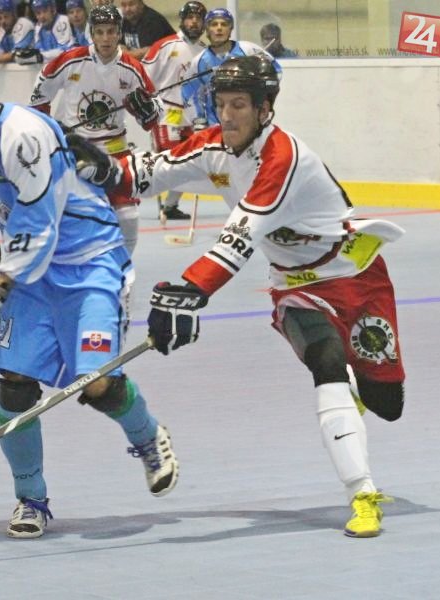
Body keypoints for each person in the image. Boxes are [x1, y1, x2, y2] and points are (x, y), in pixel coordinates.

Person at [68, 54, 404, 538]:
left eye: (239, 105)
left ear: (265, 108)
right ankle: (362, 492)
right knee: (325, 361)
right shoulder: (214, 145)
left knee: (387, 402)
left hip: (356, 275)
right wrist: (103, 167)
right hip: (295, 286)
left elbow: (241, 235)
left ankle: (354, 395)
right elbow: (150, 170)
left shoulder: (284, 158)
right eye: (221, 104)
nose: (226, 116)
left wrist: (190, 289)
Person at [0, 48, 178, 538]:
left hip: (90, 261)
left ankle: (147, 437)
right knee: (14, 386)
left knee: (95, 384)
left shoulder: (23, 136)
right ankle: (30, 498)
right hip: (30, 276)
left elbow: (40, 228)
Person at [28, 4, 160, 254]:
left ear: (119, 33)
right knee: (68, 217)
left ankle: (122, 266)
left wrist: (148, 111)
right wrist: (48, 128)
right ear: (92, 33)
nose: (105, 38)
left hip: (116, 152)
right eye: (99, 32)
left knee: (128, 216)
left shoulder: (132, 67)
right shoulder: (71, 60)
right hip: (75, 151)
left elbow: (153, 115)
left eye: (111, 31)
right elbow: (40, 94)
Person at [141, 0, 206, 221]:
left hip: (190, 118)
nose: (194, 22)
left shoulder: (204, 51)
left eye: (198, 18)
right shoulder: (165, 45)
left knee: (189, 164)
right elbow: (144, 76)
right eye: (190, 18)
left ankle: (170, 206)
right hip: (166, 114)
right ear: (182, 21)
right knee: (170, 164)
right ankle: (133, 188)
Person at [181, 8, 280, 128]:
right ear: (207, 29)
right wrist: (198, 119)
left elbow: (276, 71)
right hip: (216, 127)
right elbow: (188, 94)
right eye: (214, 24)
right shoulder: (198, 62)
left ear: (231, 28)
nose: (219, 28)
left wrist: (263, 99)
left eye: (224, 24)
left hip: (248, 124)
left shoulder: (248, 50)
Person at [19, 0, 73, 65]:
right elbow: (39, 50)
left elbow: (65, 51)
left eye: (45, 11)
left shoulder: (63, 21)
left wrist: (40, 57)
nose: (42, 16)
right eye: (38, 13)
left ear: (53, 10)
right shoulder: (38, 27)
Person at [0, 0, 34, 64]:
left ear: (14, 15)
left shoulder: (24, 24)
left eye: (6, 16)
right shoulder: (2, 30)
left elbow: (17, 55)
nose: (3, 21)